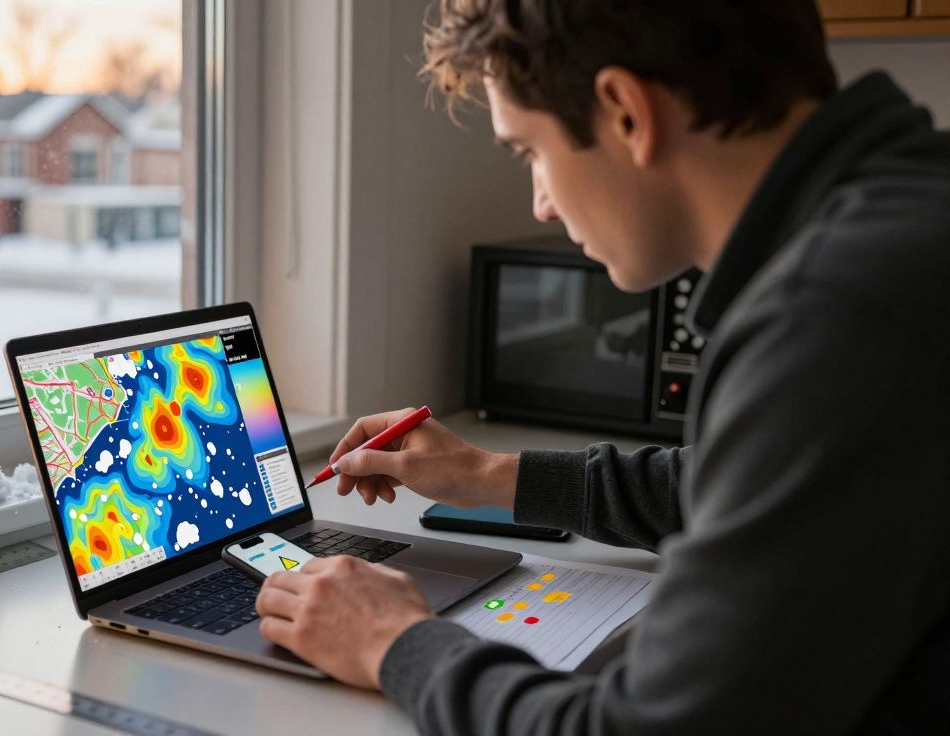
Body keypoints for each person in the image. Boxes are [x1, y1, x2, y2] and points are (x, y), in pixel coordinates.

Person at [252, 1, 950, 733]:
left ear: (626, 112)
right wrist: (489, 477)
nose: (542, 204)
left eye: (528, 151)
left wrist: (392, 642)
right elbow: (748, 487)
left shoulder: (842, 310)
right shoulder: (906, 212)